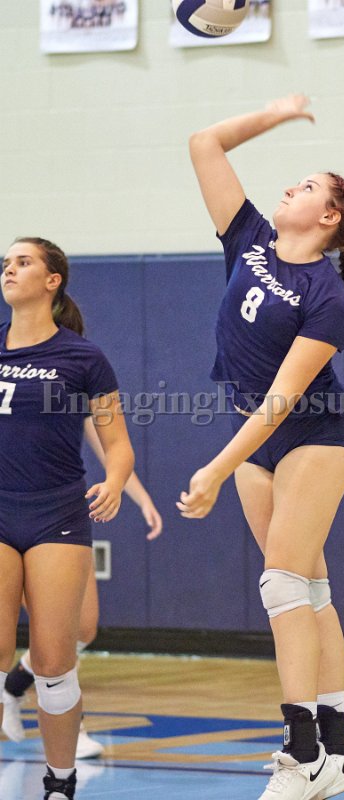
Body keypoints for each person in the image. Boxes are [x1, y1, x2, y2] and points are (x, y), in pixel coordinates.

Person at [179, 94, 344, 799]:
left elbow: (281, 402)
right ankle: (341, 749)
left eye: (309, 186)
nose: (292, 186)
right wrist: (277, 112)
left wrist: (213, 468)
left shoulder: (326, 296)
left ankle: (302, 753)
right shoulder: (250, 238)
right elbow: (204, 143)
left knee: (281, 584)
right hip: (254, 440)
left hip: (312, 436)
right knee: (308, 589)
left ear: (329, 219)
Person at [0, 237, 134, 800]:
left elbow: (118, 444)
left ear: (52, 280)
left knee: (55, 662)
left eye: (23, 261)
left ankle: (59, 784)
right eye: (6, 263)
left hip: (56, 512)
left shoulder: (82, 358)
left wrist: (116, 481)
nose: (10, 269)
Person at [1, 415, 163, 759]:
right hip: (10, 515)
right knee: (52, 634)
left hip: (60, 516)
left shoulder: (76, 382)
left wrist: (140, 497)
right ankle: (74, 730)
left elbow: (111, 446)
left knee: (84, 627)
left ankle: (15, 686)